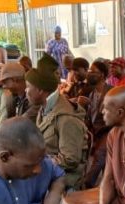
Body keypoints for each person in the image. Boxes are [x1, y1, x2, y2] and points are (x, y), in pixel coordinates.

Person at [27, 53, 88, 190]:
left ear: (40, 90)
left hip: (63, 182)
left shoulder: (66, 118)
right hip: (48, 174)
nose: (26, 91)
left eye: (28, 86)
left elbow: (70, 159)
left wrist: (36, 163)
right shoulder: (45, 108)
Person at [82, 60, 113, 188]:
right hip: (94, 135)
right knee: (104, 167)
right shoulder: (91, 93)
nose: (89, 74)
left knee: (98, 161)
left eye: (92, 72)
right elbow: (91, 118)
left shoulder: (111, 92)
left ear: (102, 75)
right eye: (89, 71)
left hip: (108, 133)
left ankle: (86, 185)